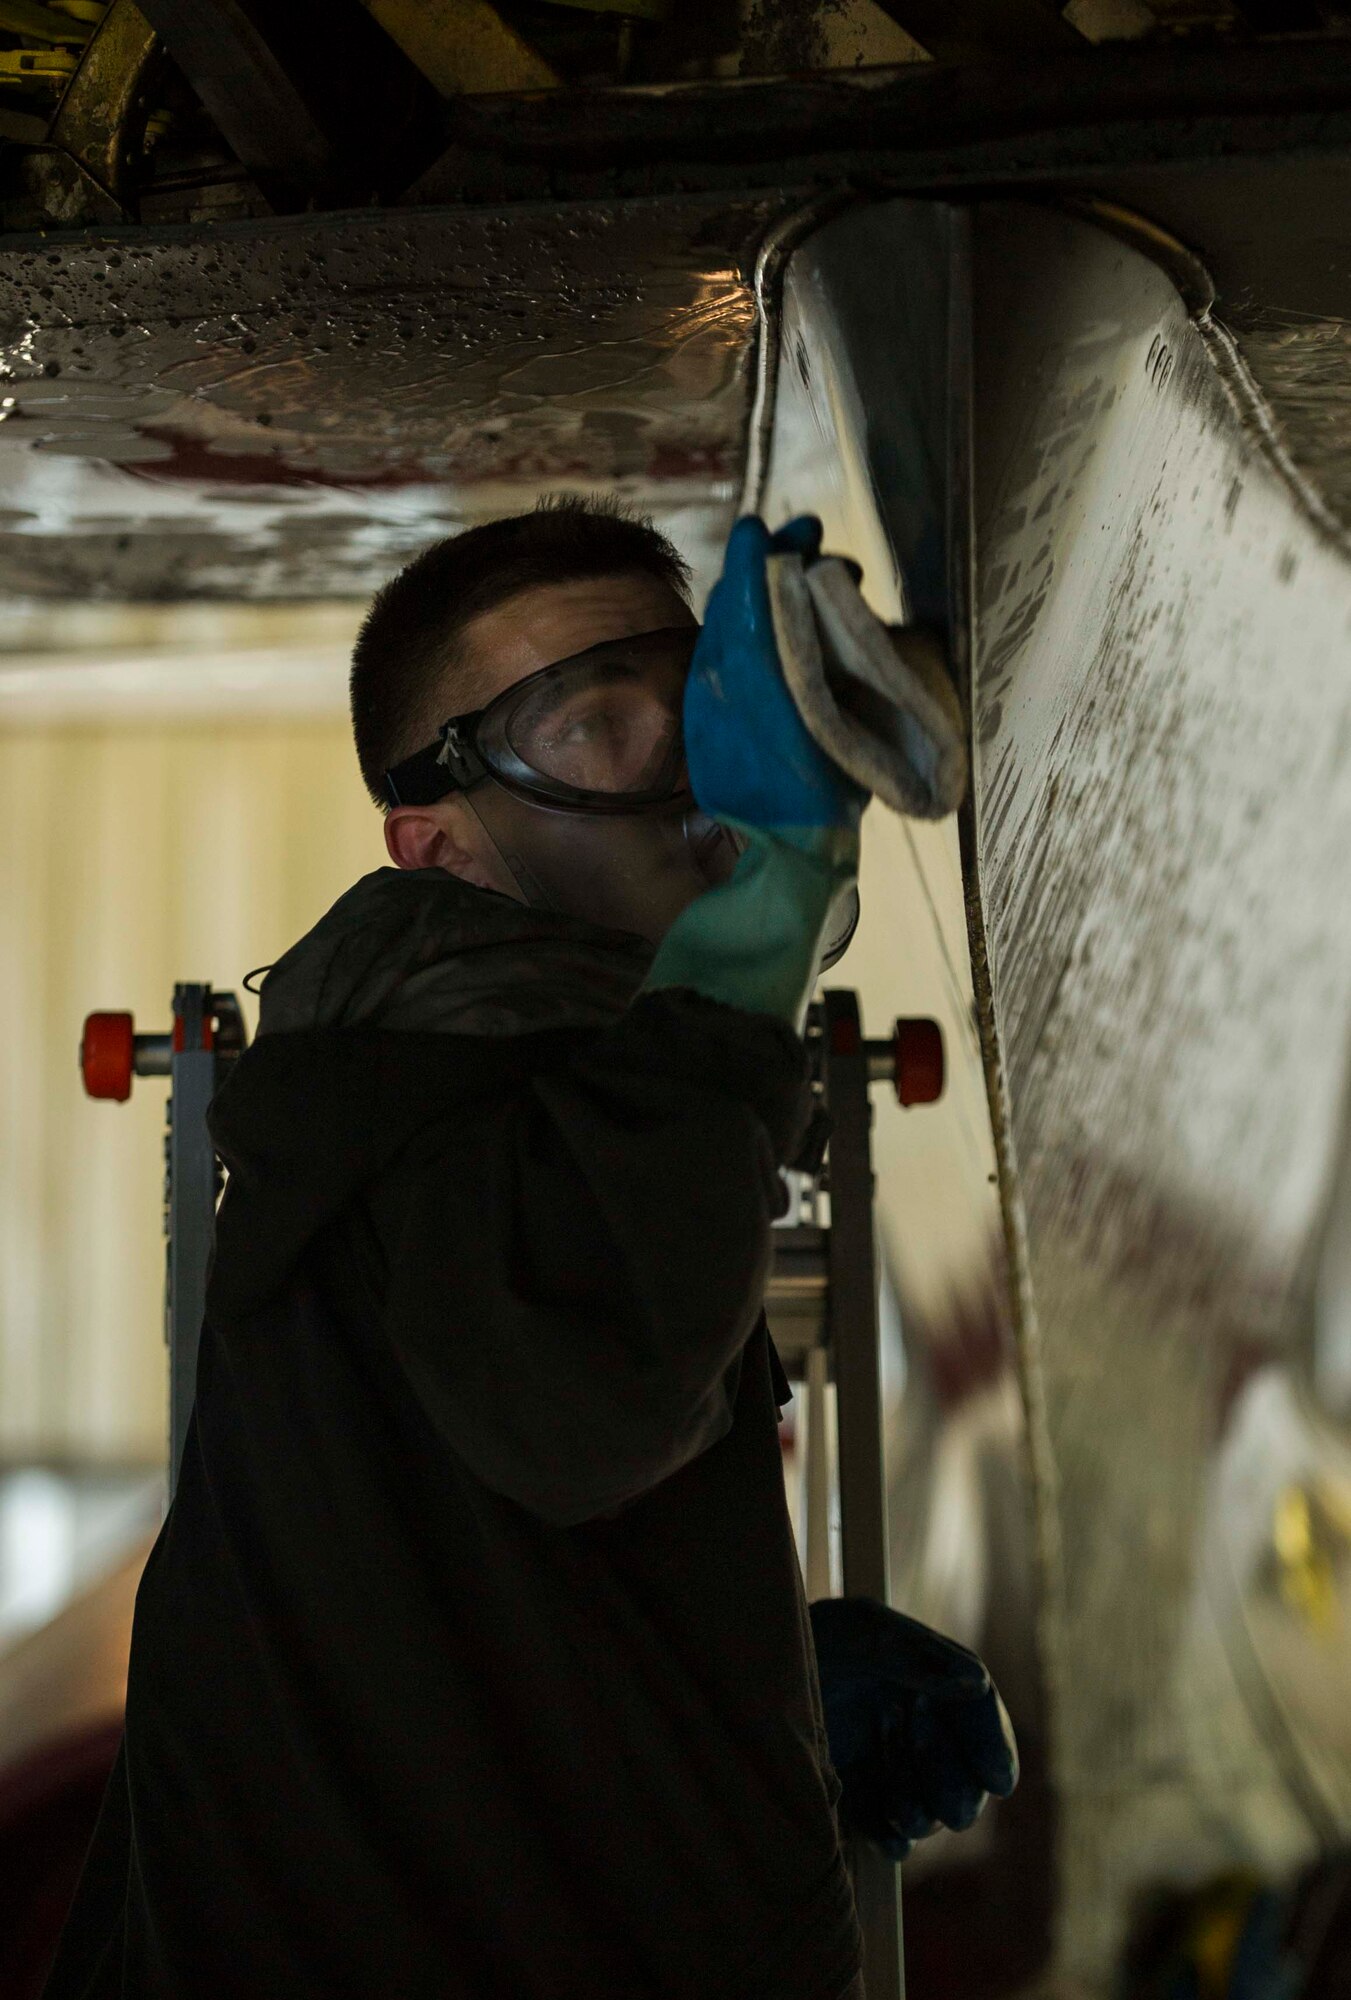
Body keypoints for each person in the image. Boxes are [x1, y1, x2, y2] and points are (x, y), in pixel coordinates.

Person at [45, 498, 1014, 2000]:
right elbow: (586, 1379)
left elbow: (441, 1597)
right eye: (592, 726)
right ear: (442, 846)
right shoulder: (429, 1076)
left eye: (691, 704)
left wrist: (743, 1678)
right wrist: (761, 915)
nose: (682, 773)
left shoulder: (520, 1096)